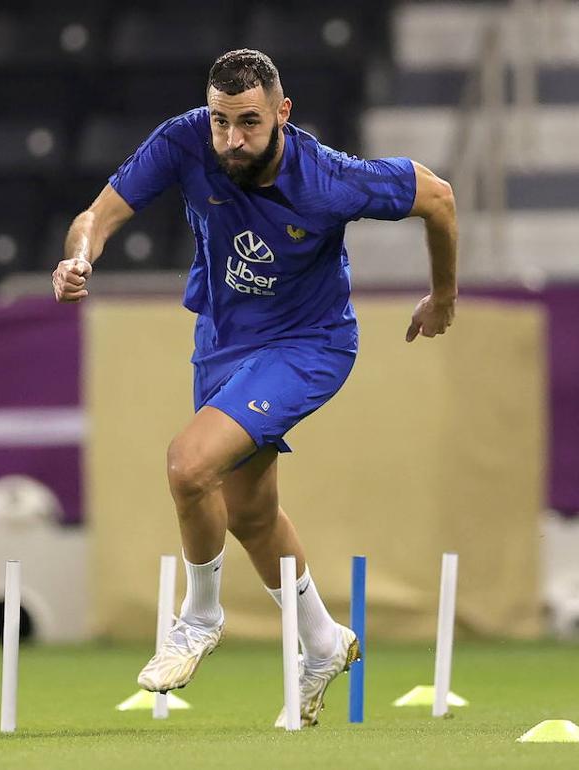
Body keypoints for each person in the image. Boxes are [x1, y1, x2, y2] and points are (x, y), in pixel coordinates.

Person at [51, 48, 458, 726]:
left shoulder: (328, 178)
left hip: (309, 344)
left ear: (281, 113)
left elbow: (438, 197)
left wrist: (443, 296)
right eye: (221, 122)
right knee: (249, 513)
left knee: (188, 465)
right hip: (222, 342)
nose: (231, 140)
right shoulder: (185, 139)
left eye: (247, 123)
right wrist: (78, 255)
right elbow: (99, 214)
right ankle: (324, 642)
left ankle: (199, 618)